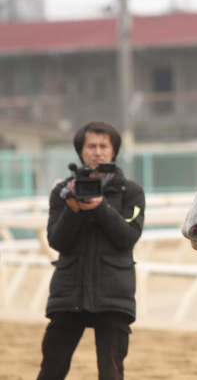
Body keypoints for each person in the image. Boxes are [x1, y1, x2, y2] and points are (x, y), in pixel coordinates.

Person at [37, 121, 145, 380]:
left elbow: (127, 238)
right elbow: (57, 241)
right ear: (80, 151)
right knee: (51, 368)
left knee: (111, 372)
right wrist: (73, 208)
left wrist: (100, 206)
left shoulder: (130, 191)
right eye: (91, 146)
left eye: (103, 146)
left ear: (113, 150)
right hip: (68, 291)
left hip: (113, 293)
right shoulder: (63, 192)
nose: (97, 151)